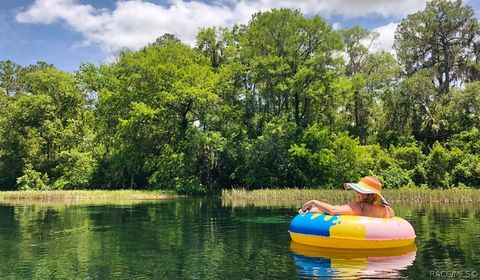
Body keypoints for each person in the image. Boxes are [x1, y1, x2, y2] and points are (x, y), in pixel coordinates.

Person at [298, 176, 394, 218]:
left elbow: (333, 211)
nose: (356, 192)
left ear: (369, 194)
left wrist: (313, 202)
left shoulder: (361, 207)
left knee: (335, 208)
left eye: (359, 191)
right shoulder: (388, 210)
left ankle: (311, 209)